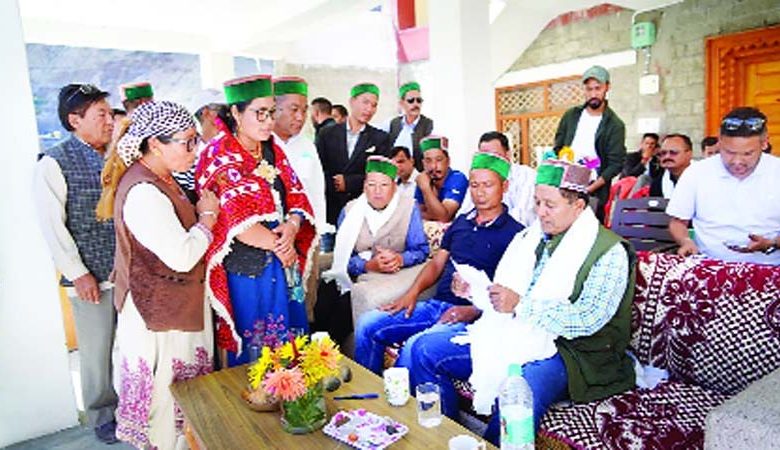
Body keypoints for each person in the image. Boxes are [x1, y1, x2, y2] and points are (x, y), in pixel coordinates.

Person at [411, 159, 636, 446]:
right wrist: (475, 292)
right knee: (425, 349)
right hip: (517, 330)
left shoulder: (609, 252)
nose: (540, 212)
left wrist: (519, 305)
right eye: (537, 202)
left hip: (575, 352)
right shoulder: (530, 238)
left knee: (518, 390)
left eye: (550, 205)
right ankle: (447, 441)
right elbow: (507, 293)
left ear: (578, 206)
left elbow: (587, 319)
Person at [103, 101, 218, 449]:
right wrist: (208, 217)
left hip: (171, 310)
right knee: (165, 414)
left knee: (180, 412)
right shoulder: (143, 192)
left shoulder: (162, 179)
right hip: (159, 321)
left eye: (196, 140)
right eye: (187, 142)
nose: (194, 150)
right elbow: (182, 256)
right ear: (155, 144)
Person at [354, 152, 523, 374]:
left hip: (474, 318)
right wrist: (411, 295)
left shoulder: (517, 235)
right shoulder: (461, 222)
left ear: (505, 186)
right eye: (474, 185)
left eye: (488, 185)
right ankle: (369, 393)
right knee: (367, 324)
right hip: (437, 306)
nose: (480, 192)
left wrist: (474, 310)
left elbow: (513, 295)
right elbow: (436, 264)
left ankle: (401, 396)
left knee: (415, 347)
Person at [195, 74, 317, 366]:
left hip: (283, 258)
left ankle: (294, 392)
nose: (268, 121)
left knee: (291, 343)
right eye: (259, 113)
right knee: (257, 347)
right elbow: (235, 220)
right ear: (236, 113)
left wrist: (292, 226)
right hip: (248, 267)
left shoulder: (272, 148)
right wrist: (281, 246)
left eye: (271, 112)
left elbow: (296, 194)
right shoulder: (217, 154)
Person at [33, 83, 119, 444]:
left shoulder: (115, 155)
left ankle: (133, 406)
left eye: (110, 113)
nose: (110, 121)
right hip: (90, 278)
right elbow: (52, 226)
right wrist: (78, 273)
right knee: (96, 353)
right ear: (74, 120)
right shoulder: (54, 162)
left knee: (131, 346)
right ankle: (102, 416)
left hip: (124, 273)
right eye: (101, 114)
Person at [317, 156, 429, 344]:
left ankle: (327, 353)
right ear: (364, 187)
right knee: (324, 298)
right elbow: (343, 256)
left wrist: (400, 259)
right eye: (371, 185)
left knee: (342, 311)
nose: (377, 191)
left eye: (384, 185)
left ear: (394, 187)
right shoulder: (350, 210)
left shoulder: (409, 207)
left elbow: (421, 250)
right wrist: (368, 265)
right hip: (353, 273)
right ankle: (312, 352)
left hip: (388, 279)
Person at [668, 107, 780, 264]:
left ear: (764, 143)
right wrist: (686, 241)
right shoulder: (697, 172)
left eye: (748, 153)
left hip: (770, 267)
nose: (737, 161)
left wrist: (772, 243)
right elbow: (678, 222)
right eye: (729, 152)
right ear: (719, 142)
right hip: (710, 265)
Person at [553, 65, 627, 222]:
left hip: (594, 191)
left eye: (597, 88)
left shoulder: (614, 125)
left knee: (588, 230)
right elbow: (558, 147)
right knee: (561, 226)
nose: (593, 94)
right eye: (589, 89)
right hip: (564, 185)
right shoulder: (571, 116)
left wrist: (589, 189)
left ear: (607, 87)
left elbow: (615, 165)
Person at [317, 82, 390, 227]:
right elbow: (318, 168)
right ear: (352, 102)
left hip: (362, 208)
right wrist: (333, 184)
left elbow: (382, 176)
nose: (369, 109)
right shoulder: (327, 134)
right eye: (365, 102)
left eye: (374, 105)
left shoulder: (380, 138)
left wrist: (349, 182)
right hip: (329, 207)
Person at [458, 131, 536, 227]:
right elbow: (465, 211)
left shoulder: (527, 175)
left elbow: (523, 215)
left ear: (508, 155)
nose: (489, 161)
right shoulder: (478, 178)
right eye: (484, 156)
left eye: (495, 155)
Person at [414, 135, 468, 222]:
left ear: (448, 161)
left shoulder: (457, 178)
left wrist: (426, 189)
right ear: (423, 164)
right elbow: (416, 214)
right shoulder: (424, 179)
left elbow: (443, 217)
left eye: (439, 160)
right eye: (428, 161)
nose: (433, 166)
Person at [385, 82, 434, 171]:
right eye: (411, 100)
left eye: (419, 100)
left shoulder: (428, 125)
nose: (416, 104)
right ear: (401, 103)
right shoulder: (393, 124)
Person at [649, 133, 693, 198]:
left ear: (689, 154)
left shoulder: (704, 178)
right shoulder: (658, 184)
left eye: (673, 152)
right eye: (663, 153)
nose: (667, 157)